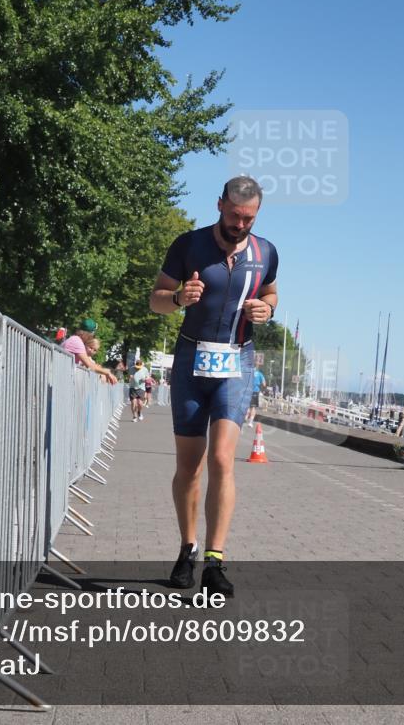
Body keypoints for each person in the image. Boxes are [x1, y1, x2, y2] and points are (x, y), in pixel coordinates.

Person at [149, 176, 279, 597]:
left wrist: (266, 309)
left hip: (236, 359)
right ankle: (187, 547)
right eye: (235, 215)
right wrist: (178, 300)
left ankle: (214, 561)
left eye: (249, 218)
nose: (241, 224)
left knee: (223, 458)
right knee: (190, 466)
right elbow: (155, 298)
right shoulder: (189, 244)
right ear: (220, 204)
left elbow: (272, 293)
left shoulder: (266, 252)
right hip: (191, 359)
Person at [60, 319, 118, 385]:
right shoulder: (77, 341)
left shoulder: (75, 339)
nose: (92, 336)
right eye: (93, 334)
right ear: (88, 333)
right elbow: (90, 365)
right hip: (63, 380)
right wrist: (106, 372)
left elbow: (90, 364)